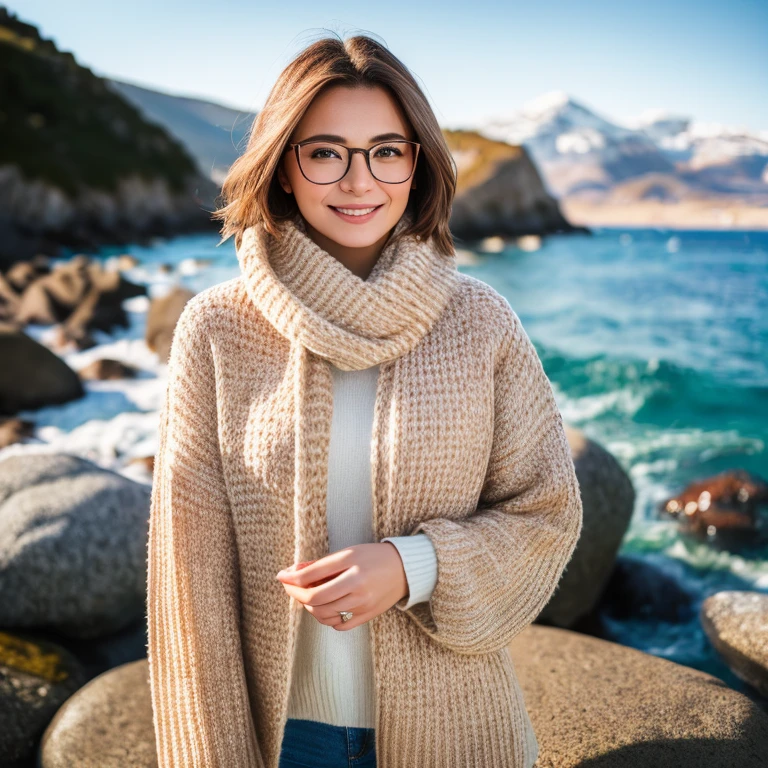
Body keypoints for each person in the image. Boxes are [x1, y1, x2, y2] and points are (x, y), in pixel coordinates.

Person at [146, 32, 583, 768]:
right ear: (285, 165)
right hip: (283, 738)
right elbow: (188, 580)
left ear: (417, 163)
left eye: (386, 149)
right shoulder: (216, 327)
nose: (359, 180)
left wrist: (415, 566)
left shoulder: (480, 322)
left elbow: (548, 512)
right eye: (326, 152)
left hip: (457, 730)